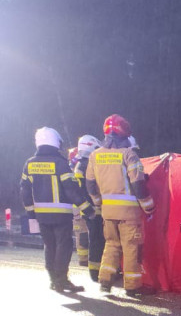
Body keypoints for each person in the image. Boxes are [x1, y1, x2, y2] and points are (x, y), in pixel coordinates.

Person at [85, 114, 156, 298]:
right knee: (131, 247)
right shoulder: (129, 154)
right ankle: (132, 286)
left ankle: (105, 281)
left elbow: (90, 184)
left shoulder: (94, 155)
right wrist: (148, 207)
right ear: (124, 133)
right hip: (129, 213)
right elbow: (138, 184)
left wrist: (99, 203)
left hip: (108, 213)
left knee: (111, 244)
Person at [20, 127, 93, 292]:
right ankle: (61, 280)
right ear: (55, 142)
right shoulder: (60, 163)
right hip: (61, 215)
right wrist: (88, 209)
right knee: (64, 245)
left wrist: (31, 212)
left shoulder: (29, 163)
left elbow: (24, 190)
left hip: (41, 216)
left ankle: (53, 280)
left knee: (49, 245)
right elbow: (71, 190)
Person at [72, 134, 104, 281]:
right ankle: (95, 272)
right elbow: (86, 190)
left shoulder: (80, 164)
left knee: (95, 239)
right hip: (93, 209)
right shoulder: (86, 166)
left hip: (89, 209)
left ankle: (95, 271)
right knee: (97, 240)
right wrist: (90, 209)